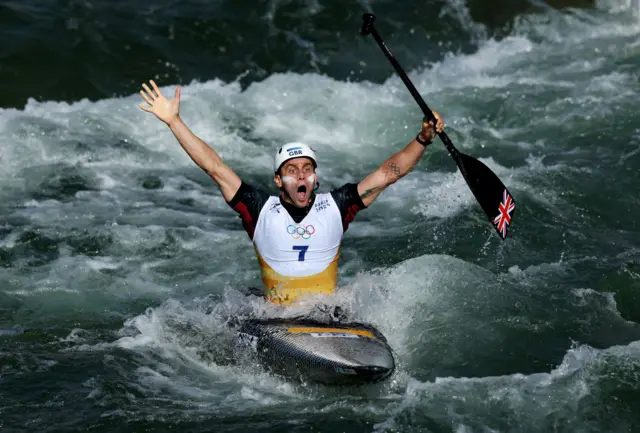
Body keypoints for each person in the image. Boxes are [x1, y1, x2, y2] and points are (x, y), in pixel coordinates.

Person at [138, 80, 444, 304]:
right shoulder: (259, 208)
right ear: (278, 180)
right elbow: (215, 167)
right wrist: (174, 122)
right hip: (276, 318)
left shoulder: (337, 205)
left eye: (307, 169)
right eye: (291, 170)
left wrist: (423, 138)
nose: (301, 175)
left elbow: (389, 173)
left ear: (315, 176)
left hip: (327, 311)